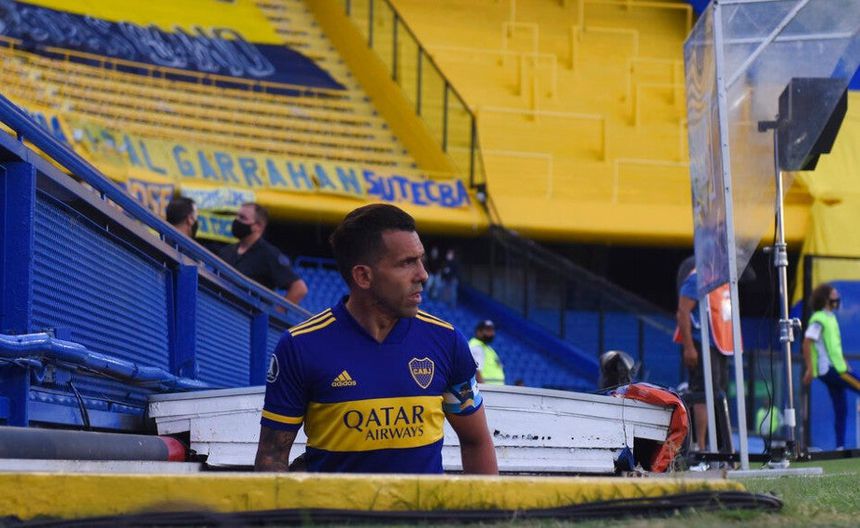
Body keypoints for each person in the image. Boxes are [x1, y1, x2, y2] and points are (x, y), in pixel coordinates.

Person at [254, 204, 498, 474]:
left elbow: (476, 441)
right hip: (334, 504)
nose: (423, 274)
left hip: (424, 505)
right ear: (363, 276)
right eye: (407, 263)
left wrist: (487, 503)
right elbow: (272, 458)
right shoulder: (300, 346)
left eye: (421, 260)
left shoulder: (445, 340)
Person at [674, 255, 732, 452]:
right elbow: (682, 312)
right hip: (702, 343)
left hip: (718, 343)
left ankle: (719, 446)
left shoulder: (722, 279)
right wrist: (689, 347)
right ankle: (701, 446)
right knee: (703, 394)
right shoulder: (697, 278)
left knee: (718, 394)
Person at [802, 283, 860, 449]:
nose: (837, 298)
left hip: (837, 368)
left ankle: (839, 447)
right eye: (834, 294)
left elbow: (834, 348)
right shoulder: (819, 319)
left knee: (840, 408)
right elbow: (807, 342)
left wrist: (845, 364)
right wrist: (810, 369)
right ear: (826, 299)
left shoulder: (831, 318)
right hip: (831, 370)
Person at [219, 203, 307, 304]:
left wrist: (276, 312)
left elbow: (299, 288)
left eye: (242, 218)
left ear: (258, 226)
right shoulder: (226, 251)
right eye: (237, 216)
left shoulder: (269, 254)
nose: (236, 220)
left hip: (248, 313)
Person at [468, 320, 506, 385]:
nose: (492, 333)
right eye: (488, 330)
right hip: (488, 388)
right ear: (478, 332)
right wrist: (484, 389)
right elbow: (476, 371)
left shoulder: (486, 348)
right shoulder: (476, 346)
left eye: (493, 330)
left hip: (494, 388)